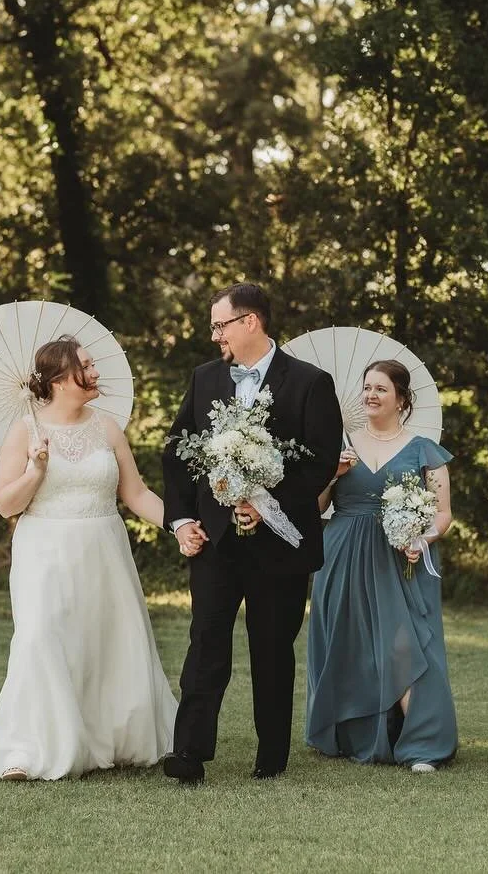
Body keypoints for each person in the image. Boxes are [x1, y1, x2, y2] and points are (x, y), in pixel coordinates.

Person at [161, 282, 341, 783]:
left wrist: (267, 507)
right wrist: (180, 520)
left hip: (280, 543)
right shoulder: (203, 379)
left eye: (221, 325)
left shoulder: (309, 382)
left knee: (272, 648)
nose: (214, 334)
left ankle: (272, 757)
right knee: (205, 643)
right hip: (215, 541)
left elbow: (321, 461)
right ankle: (189, 754)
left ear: (251, 323)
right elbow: (177, 453)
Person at [0, 337, 179, 780]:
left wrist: (180, 525)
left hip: (103, 547)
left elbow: (135, 493)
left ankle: (106, 739)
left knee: (105, 640)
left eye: (93, 365)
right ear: (57, 378)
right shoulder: (25, 430)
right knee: (39, 638)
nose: (95, 374)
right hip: (44, 550)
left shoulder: (108, 428)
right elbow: (5, 504)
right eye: (86, 367)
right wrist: (35, 470)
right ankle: (27, 747)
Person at [305, 360, 458, 772]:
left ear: (401, 399)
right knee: (350, 643)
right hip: (342, 555)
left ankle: (423, 742)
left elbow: (443, 513)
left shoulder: (425, 450)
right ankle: (353, 734)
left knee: (406, 641)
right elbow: (316, 507)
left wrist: (421, 538)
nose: (371, 395)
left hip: (400, 557)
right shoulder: (340, 444)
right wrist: (331, 475)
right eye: (367, 387)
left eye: (381, 389)